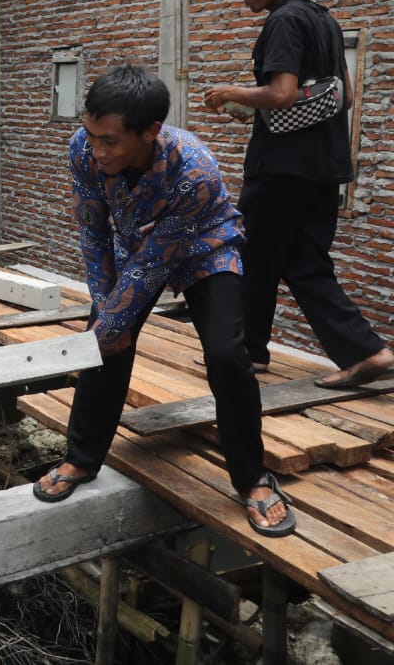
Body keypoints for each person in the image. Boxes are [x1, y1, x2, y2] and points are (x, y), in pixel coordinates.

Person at [34, 65, 294, 537]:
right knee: (103, 343)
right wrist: (106, 319)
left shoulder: (193, 171)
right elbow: (92, 230)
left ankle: (251, 478)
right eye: (92, 135)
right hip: (135, 243)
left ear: (151, 132)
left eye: (111, 141)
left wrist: (114, 321)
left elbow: (158, 260)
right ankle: (81, 458)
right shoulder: (83, 150)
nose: (99, 150)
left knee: (227, 355)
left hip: (205, 246)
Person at [204, 0, 392, 389]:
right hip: (324, 165)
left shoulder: (284, 20)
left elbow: (283, 94)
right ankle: (366, 352)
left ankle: (246, 353)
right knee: (303, 260)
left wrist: (230, 93)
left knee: (249, 254)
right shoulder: (324, 19)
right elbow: (343, 95)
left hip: (282, 168)